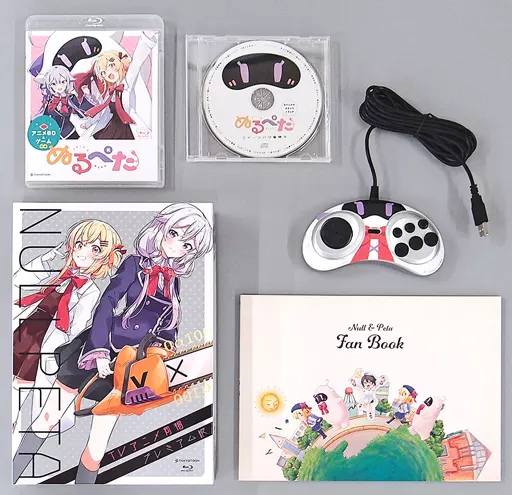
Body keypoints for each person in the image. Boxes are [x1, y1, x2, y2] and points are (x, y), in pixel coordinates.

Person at [13, 203, 213, 484]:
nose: (177, 245)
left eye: (187, 245)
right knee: (49, 417)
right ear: (161, 228)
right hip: (97, 349)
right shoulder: (134, 264)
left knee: (99, 443)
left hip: (130, 366)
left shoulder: (172, 281)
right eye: (174, 234)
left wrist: (163, 354)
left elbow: (170, 325)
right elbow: (107, 303)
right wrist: (99, 352)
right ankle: (11, 476)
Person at [12, 220, 123, 438]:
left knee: (26, 383)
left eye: (95, 249)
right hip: (27, 329)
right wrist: (45, 260)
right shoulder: (58, 272)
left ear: (105, 258)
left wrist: (60, 347)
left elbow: (78, 325)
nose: (83, 252)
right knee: (13, 381)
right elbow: (21, 280)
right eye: (79, 244)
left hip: (49, 338)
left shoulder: (90, 291)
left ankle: (17, 426)